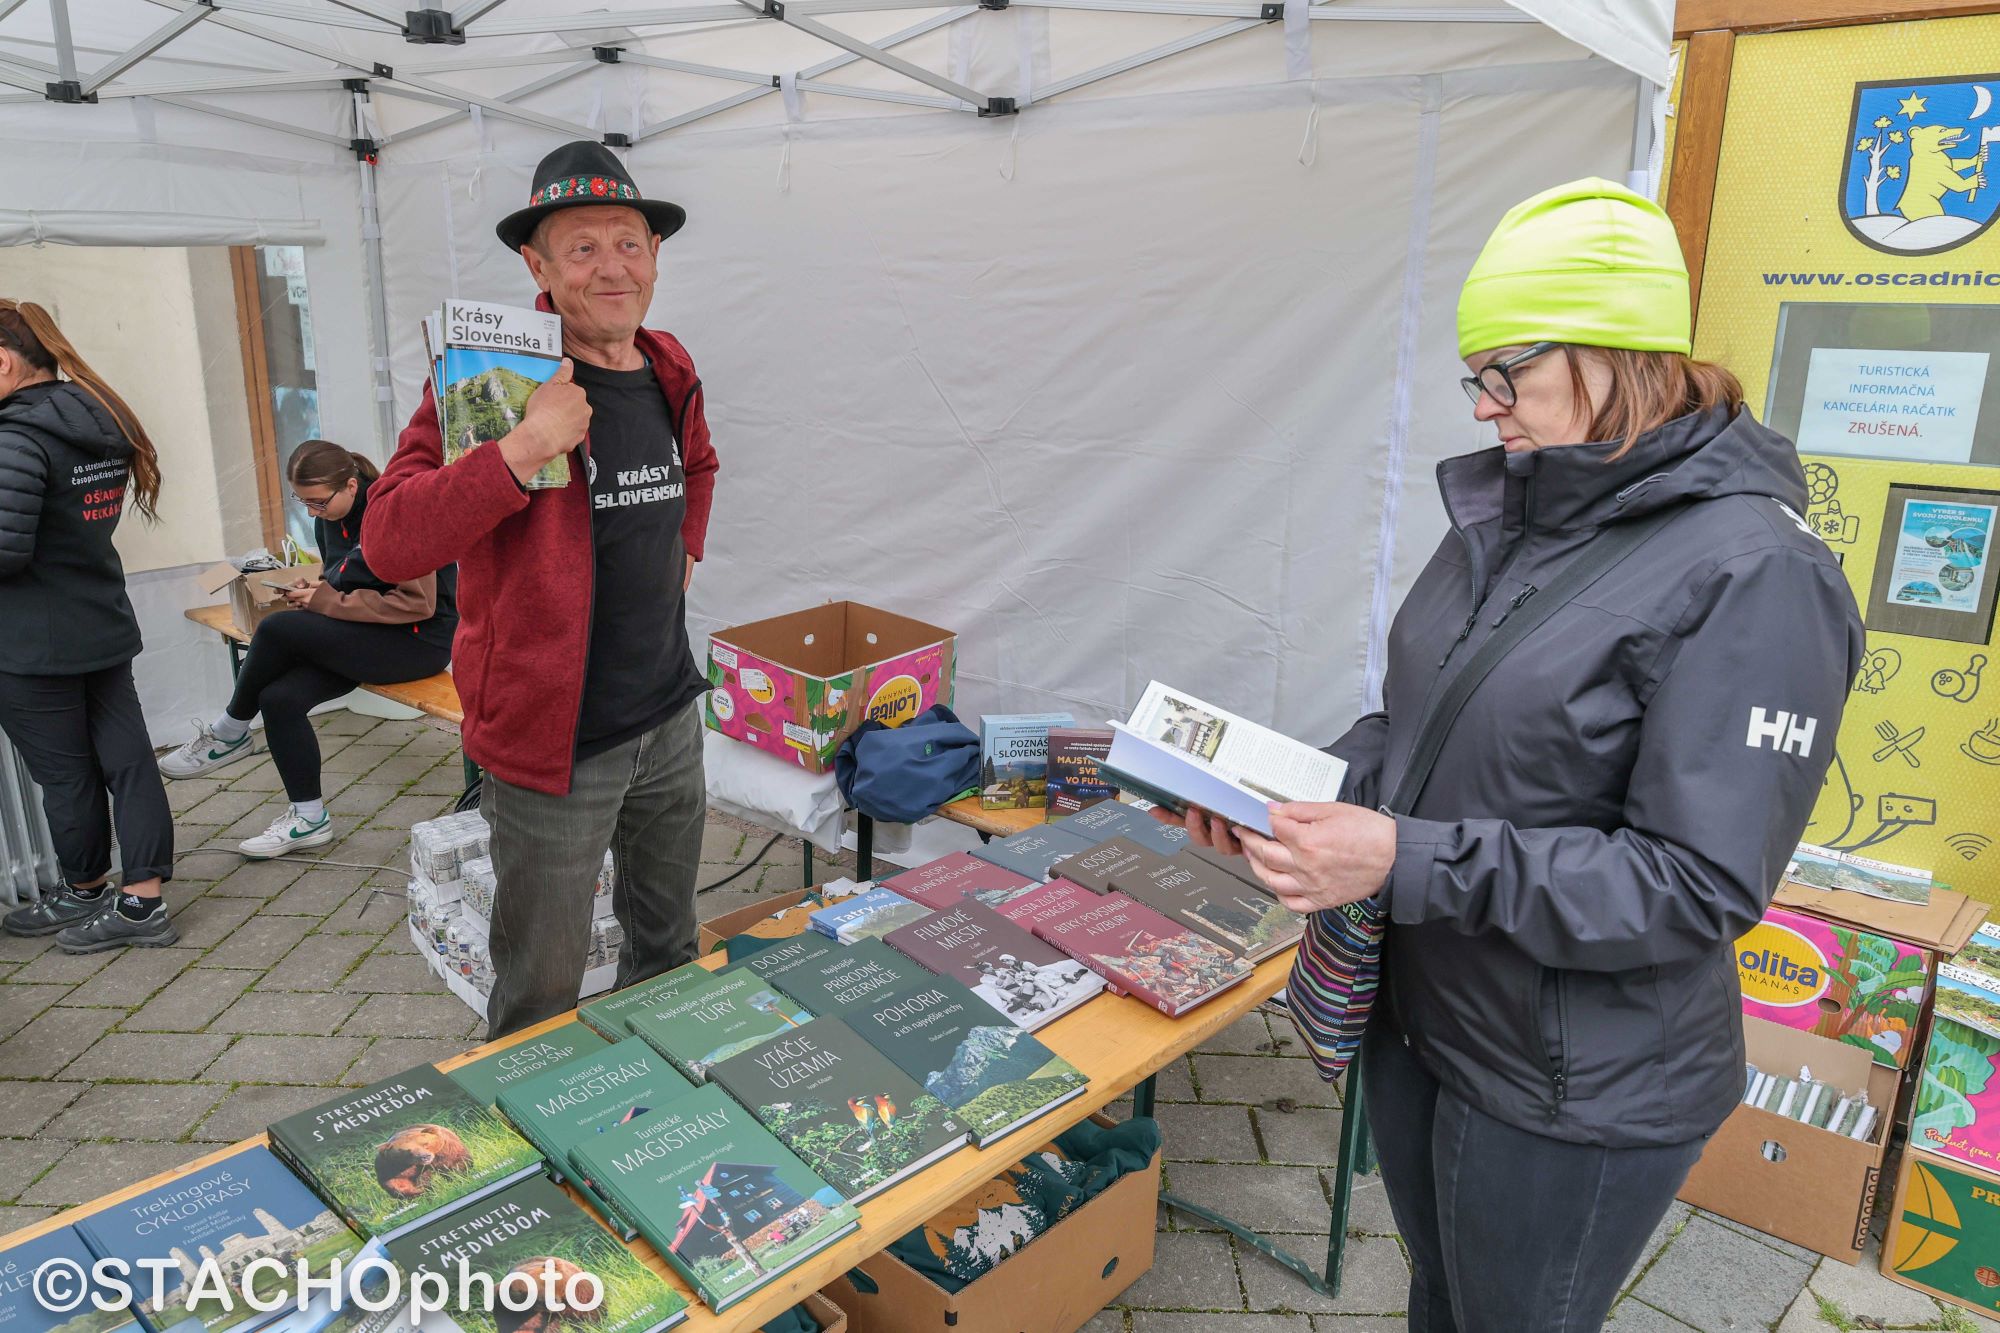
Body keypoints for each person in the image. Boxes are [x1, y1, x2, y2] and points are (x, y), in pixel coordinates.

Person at [1175, 180, 1863, 1331]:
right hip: (1429, 1022)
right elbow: (1418, 724)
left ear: (1617, 350)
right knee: (1440, 1298)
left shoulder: (1756, 573)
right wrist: (1288, 792)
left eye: (1508, 371)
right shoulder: (1515, 511)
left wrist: (1396, 858)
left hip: (1575, 1086)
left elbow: (1693, 883)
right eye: (1475, 377)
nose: (1487, 407)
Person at [363, 141, 718, 1039]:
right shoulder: (492, 375)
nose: (613, 267)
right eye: (583, 248)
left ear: (655, 254)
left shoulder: (668, 364)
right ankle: (529, 1117)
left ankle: (658, 1103)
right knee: (541, 992)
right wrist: (522, 447)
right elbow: (389, 539)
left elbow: (700, 464)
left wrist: (685, 550)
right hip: (554, 744)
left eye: (628, 243)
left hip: (669, 716)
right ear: (538, 266)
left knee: (669, 951)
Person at [158, 440, 458, 858]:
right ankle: (309, 819)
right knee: (278, 698)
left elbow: (416, 604)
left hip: (417, 640)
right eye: (303, 503)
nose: (313, 512)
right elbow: (345, 577)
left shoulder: (396, 515)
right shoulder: (330, 519)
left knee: (276, 628)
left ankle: (229, 732)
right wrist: (317, 588)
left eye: (318, 502)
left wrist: (328, 601)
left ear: (351, 485)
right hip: (365, 633)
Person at [0, 299, 178, 951]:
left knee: (67, 776)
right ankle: (143, 901)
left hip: (34, 643)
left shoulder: (16, 436)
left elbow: (6, 550)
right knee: (130, 764)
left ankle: (87, 890)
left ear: (3, 361)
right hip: (100, 620)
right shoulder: (97, 414)